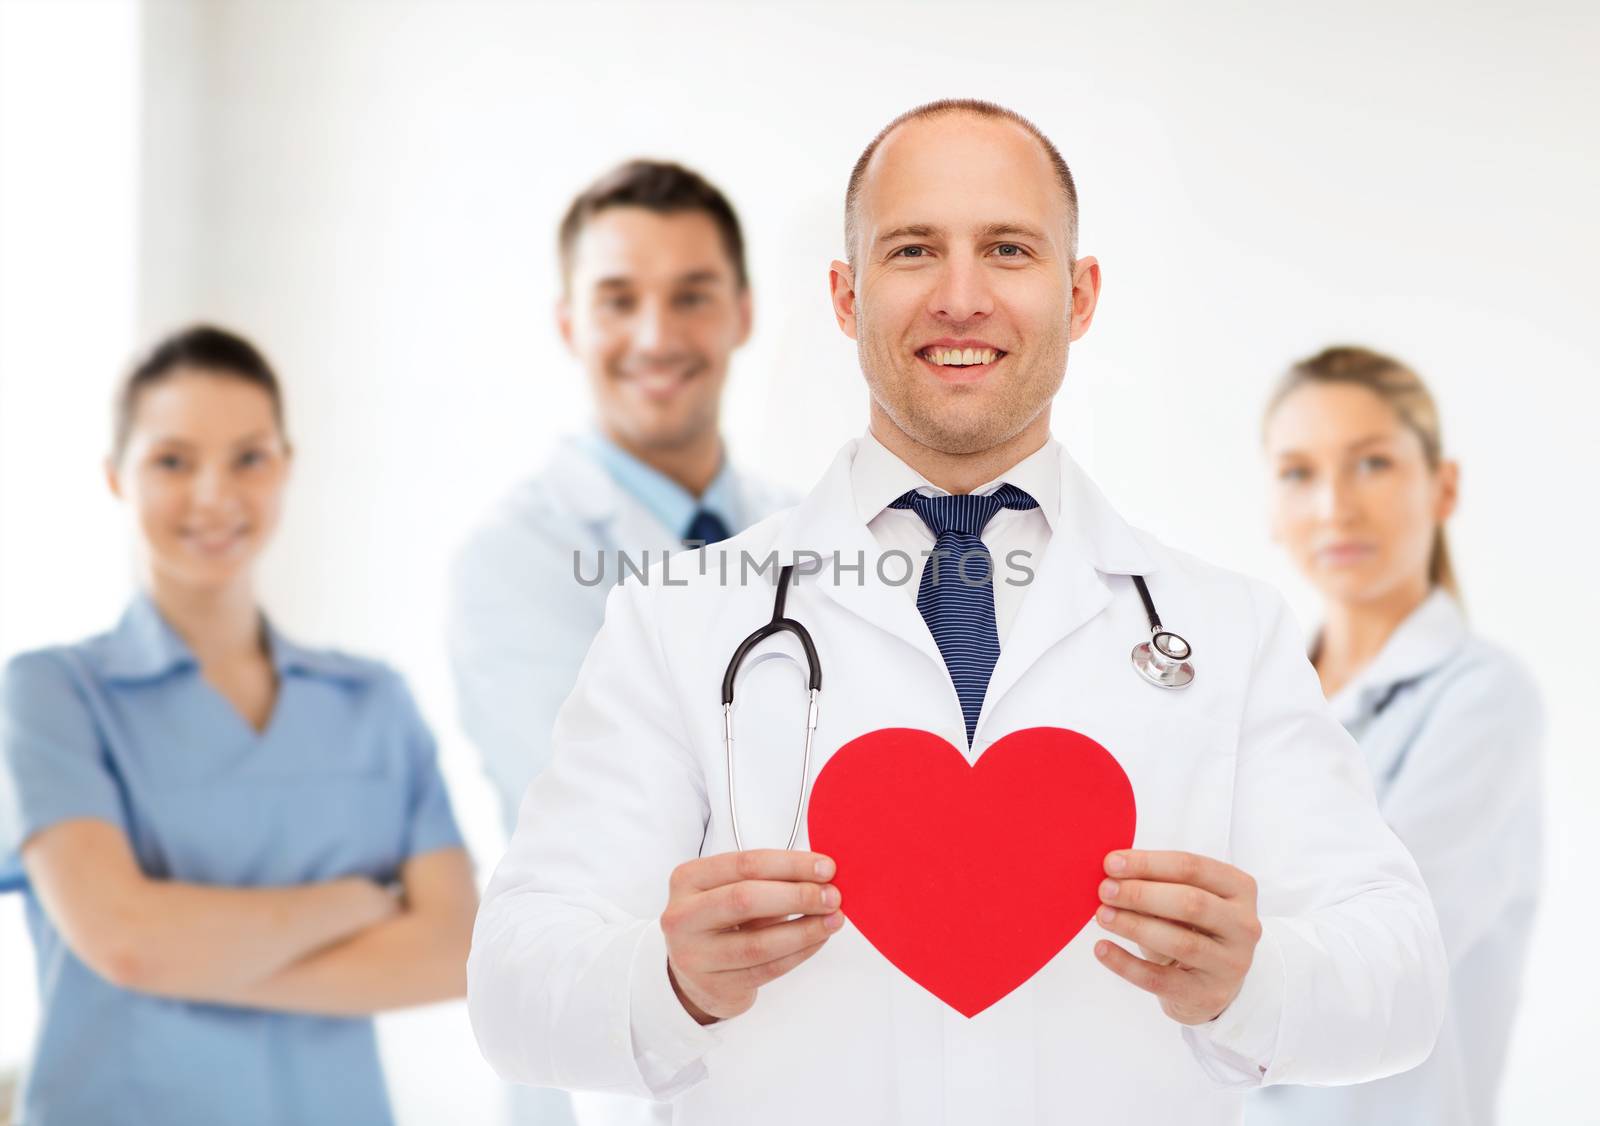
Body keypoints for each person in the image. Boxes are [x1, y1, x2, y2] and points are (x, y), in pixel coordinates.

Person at [467, 100, 1447, 1125]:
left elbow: (1404, 976)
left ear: (1080, 295)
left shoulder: (1228, 629)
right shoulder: (680, 620)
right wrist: (668, 983)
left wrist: (1257, 981)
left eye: (1009, 250)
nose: (961, 297)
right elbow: (511, 986)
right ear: (846, 296)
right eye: (912, 250)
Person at [0, 326, 477, 1126]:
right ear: (117, 476)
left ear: (286, 467)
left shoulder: (374, 702)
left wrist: (184, 958)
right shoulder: (53, 694)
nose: (215, 494)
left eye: (249, 457)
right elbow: (125, 941)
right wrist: (356, 903)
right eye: (173, 460)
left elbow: (456, 947)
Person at [1248, 346, 1542, 1126]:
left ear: (1443, 487)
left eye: (1372, 464)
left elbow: (1382, 960)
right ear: (1271, 510)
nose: (1334, 506)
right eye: (1298, 472)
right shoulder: (1252, 697)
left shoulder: (1483, 699)